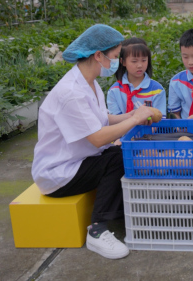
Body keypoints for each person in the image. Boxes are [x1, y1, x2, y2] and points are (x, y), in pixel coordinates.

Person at [32, 24, 155, 260]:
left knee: (121, 151)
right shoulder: (71, 92)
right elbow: (98, 136)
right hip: (59, 173)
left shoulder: (89, 81)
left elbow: (102, 118)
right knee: (117, 159)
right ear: (98, 55)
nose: (117, 62)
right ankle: (97, 230)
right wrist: (134, 119)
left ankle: (117, 211)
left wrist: (131, 116)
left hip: (78, 159)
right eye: (115, 56)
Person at [107, 38, 166, 119]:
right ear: (123, 62)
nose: (139, 65)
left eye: (144, 60)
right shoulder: (114, 91)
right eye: (134, 61)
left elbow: (160, 120)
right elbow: (115, 121)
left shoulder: (157, 90)